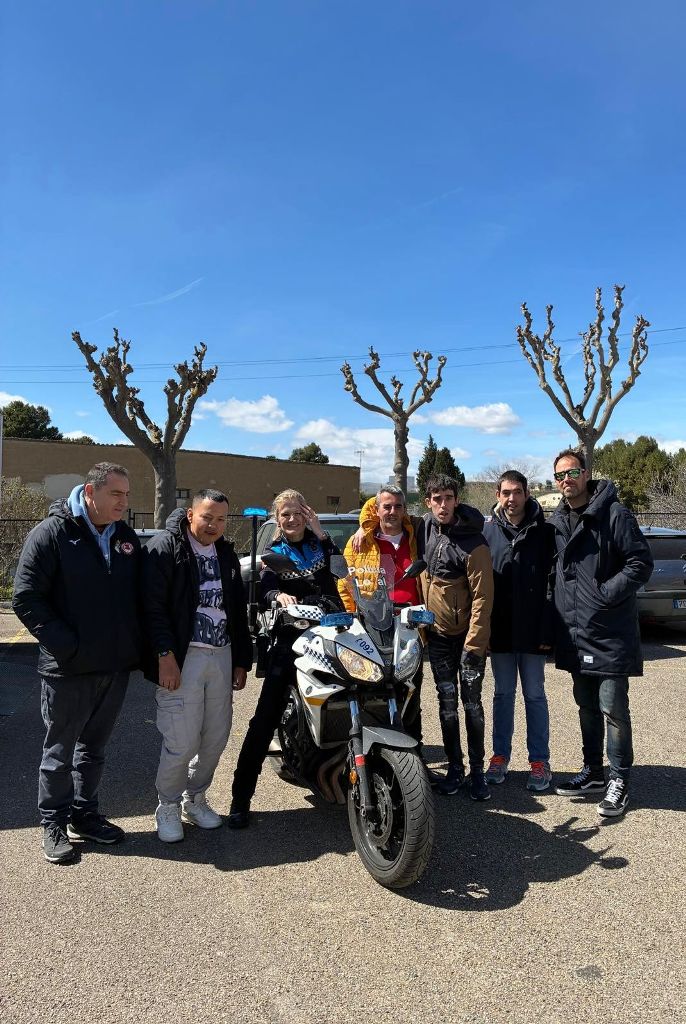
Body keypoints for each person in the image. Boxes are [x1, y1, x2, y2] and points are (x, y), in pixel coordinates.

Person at [12, 462, 141, 864]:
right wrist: (68, 646)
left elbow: (135, 594)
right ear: (91, 491)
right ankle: (53, 821)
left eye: (126, 494)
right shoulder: (51, 533)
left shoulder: (124, 536)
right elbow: (26, 598)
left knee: (94, 750)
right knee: (59, 752)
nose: (124, 502)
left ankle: (86, 814)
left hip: (112, 667)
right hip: (67, 669)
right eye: (116, 494)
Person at [142, 488, 252, 843]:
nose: (214, 525)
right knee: (181, 740)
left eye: (221, 519)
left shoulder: (225, 553)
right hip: (181, 656)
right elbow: (152, 607)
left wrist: (240, 660)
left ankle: (196, 798)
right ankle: (168, 805)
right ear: (190, 514)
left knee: (216, 737)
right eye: (207, 517)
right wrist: (165, 656)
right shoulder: (166, 548)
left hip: (221, 655)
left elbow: (236, 610)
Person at [228, 490, 342, 828]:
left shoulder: (321, 544)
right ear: (278, 519)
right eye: (285, 515)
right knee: (265, 717)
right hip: (290, 639)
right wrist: (279, 595)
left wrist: (322, 533)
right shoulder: (274, 553)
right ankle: (240, 798)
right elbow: (264, 589)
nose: (291, 519)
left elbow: (342, 574)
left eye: (297, 513)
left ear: (306, 513)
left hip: (330, 635)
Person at [549, 450, 653, 818]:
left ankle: (619, 778)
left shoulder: (615, 513)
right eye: (560, 474)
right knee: (586, 707)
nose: (566, 479)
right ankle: (593, 771)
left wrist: (605, 594)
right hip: (576, 632)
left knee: (613, 709)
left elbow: (641, 562)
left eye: (572, 472)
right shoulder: (560, 519)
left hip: (609, 631)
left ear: (586, 473)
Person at [420, 474, 494, 800]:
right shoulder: (424, 530)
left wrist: (474, 644)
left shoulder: (473, 541)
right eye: (437, 499)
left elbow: (483, 597)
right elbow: (382, 514)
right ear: (428, 502)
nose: (443, 505)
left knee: (472, 705)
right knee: (446, 704)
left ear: (456, 500)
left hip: (467, 639)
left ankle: (478, 773)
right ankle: (454, 768)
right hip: (437, 638)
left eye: (448, 498)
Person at [482, 470, 555, 791]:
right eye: (506, 493)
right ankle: (500, 756)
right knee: (502, 695)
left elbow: (553, 586)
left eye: (517, 492)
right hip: (499, 633)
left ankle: (539, 761)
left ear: (527, 494)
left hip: (533, 632)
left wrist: (547, 630)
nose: (512, 498)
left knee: (535, 695)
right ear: (498, 495)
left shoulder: (545, 532)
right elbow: (480, 587)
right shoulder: (486, 534)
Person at [340, 486, 425, 755]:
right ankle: (372, 753)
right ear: (376, 510)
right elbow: (346, 582)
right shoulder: (361, 542)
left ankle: (415, 755)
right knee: (371, 689)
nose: (392, 512)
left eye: (398, 506)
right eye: (386, 507)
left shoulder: (416, 536)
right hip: (373, 626)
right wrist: (354, 618)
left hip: (409, 627)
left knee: (411, 694)